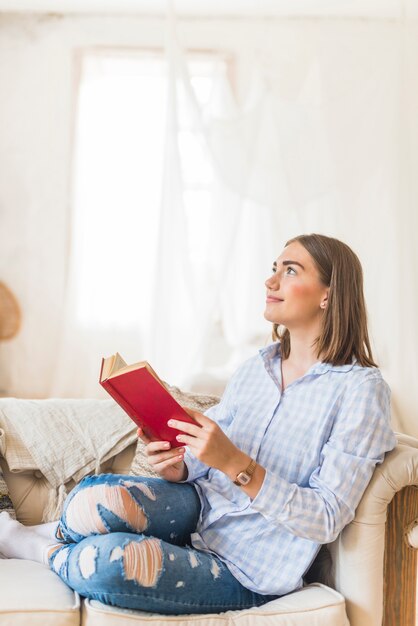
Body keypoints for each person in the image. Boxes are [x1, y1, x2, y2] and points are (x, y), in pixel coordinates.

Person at [0, 233, 396, 614]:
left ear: (329, 293)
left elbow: (326, 516)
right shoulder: (257, 367)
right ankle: (52, 535)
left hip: (249, 567)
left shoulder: (361, 390)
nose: (270, 280)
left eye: (290, 271)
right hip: (199, 509)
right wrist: (181, 466)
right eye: (274, 267)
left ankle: (43, 548)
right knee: (91, 499)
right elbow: (207, 455)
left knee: (106, 564)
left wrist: (236, 465)